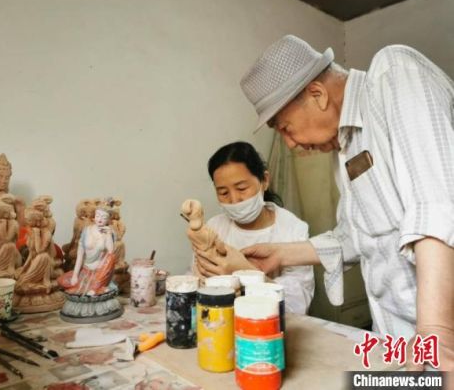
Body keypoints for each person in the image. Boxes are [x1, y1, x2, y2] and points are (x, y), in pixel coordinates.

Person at [228, 34, 453, 371]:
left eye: (286, 128)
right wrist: (282, 254)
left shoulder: (394, 72)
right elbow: (358, 236)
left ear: (317, 94)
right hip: (403, 345)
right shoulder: (348, 146)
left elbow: (435, 207)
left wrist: (437, 333)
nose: (290, 144)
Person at [193, 141, 314, 315]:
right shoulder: (214, 227)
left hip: (270, 324)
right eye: (223, 192)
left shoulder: (292, 229)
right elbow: (195, 284)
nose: (234, 200)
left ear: (264, 181)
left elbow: (297, 304)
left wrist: (247, 273)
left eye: (242, 188)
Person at [58, 204, 117, 296]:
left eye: (104, 217)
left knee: (112, 257)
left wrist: (109, 234)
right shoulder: (87, 230)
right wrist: (75, 275)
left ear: (108, 220)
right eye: (98, 216)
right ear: (94, 216)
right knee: (62, 281)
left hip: (100, 272)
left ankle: (96, 288)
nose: (100, 219)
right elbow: (80, 256)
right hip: (86, 270)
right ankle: (95, 287)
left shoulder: (109, 232)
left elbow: (111, 253)